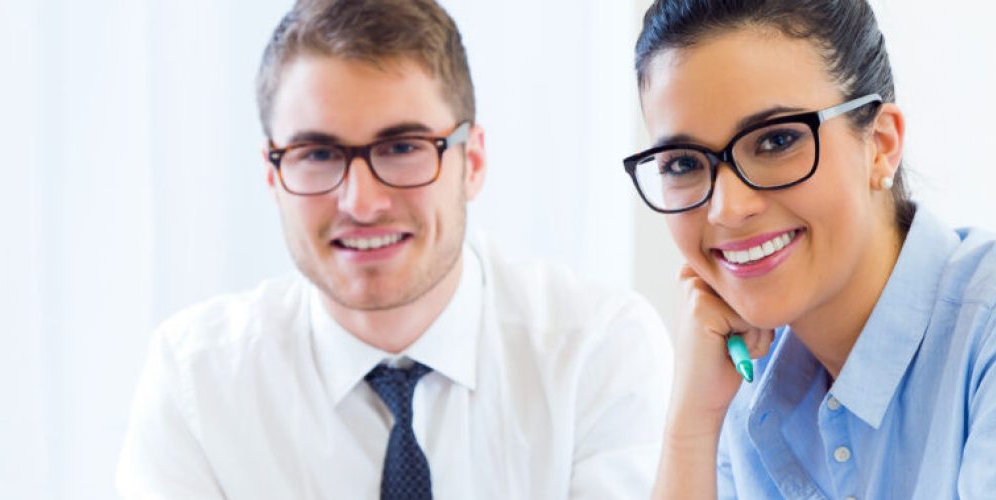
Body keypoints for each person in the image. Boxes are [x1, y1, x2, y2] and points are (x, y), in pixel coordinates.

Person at [621, 0, 996, 498]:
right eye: (683, 164)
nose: (727, 207)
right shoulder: (744, 395)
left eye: (776, 140)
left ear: (882, 145)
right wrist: (692, 424)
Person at [117, 0, 671, 497]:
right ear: (272, 174)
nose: (360, 201)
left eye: (403, 146)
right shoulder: (196, 381)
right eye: (317, 154)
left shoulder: (599, 351)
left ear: (472, 162)